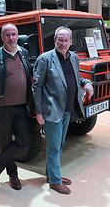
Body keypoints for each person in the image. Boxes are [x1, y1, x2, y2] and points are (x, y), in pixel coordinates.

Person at [32, 26, 93, 195]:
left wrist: (86, 83)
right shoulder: (45, 59)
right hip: (52, 110)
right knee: (54, 147)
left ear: (71, 41)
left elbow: (76, 77)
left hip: (68, 108)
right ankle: (55, 181)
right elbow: (36, 86)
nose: (63, 43)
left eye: (66, 40)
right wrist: (38, 111)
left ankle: (52, 173)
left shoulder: (73, 57)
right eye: (60, 39)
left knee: (58, 145)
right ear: (55, 40)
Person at [0, 23, 34, 190]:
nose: (11, 38)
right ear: (2, 37)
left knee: (24, 142)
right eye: (7, 35)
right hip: (2, 108)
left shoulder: (24, 53)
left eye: (13, 34)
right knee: (6, 143)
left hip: (21, 107)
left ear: (17, 35)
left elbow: (30, 76)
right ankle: (13, 176)